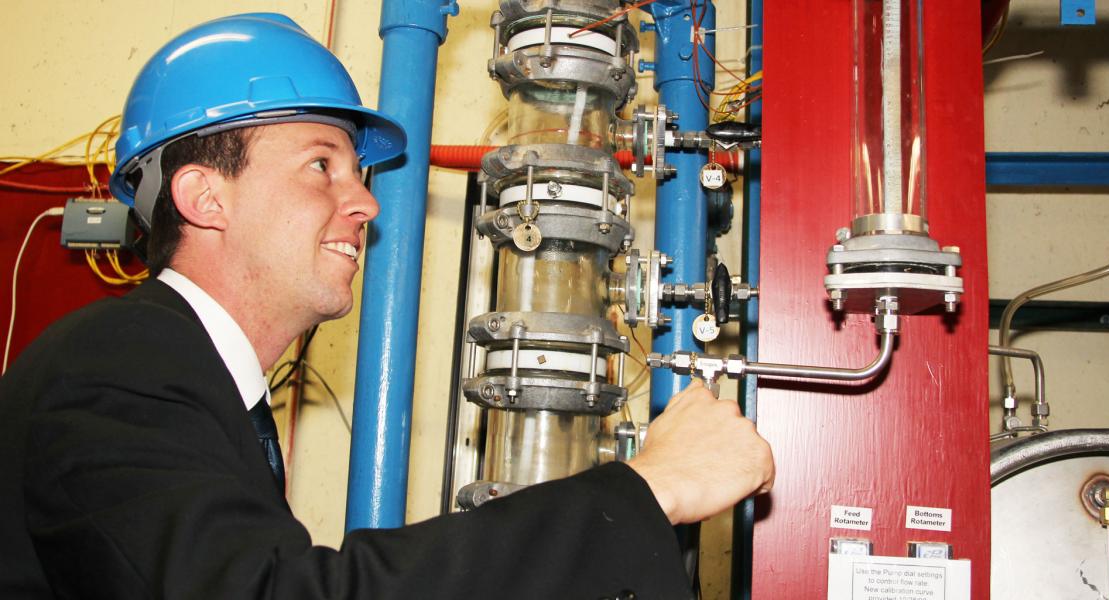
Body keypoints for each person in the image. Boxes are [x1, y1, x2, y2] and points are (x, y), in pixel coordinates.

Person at [0, 13, 774, 599]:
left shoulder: (192, 386)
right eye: (321, 165)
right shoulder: (113, 369)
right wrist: (645, 491)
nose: (365, 203)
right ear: (205, 196)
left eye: (356, 173)